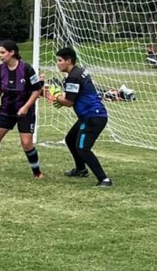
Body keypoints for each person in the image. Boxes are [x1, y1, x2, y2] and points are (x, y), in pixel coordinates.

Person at [0, 41, 44, 178]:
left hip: (25, 111)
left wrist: (26, 107)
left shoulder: (27, 69)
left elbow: (37, 90)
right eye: (0, 52)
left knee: (26, 143)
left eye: (3, 52)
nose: (0, 55)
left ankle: (37, 172)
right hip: (6, 109)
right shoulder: (1, 69)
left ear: (12, 52)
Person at [47, 47, 112, 187]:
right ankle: (81, 169)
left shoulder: (73, 76)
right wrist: (59, 96)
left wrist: (54, 96)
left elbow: (69, 102)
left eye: (60, 60)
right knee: (70, 139)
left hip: (92, 117)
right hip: (90, 116)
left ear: (69, 61)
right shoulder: (79, 72)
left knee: (83, 148)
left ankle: (104, 179)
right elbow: (73, 95)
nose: (57, 64)